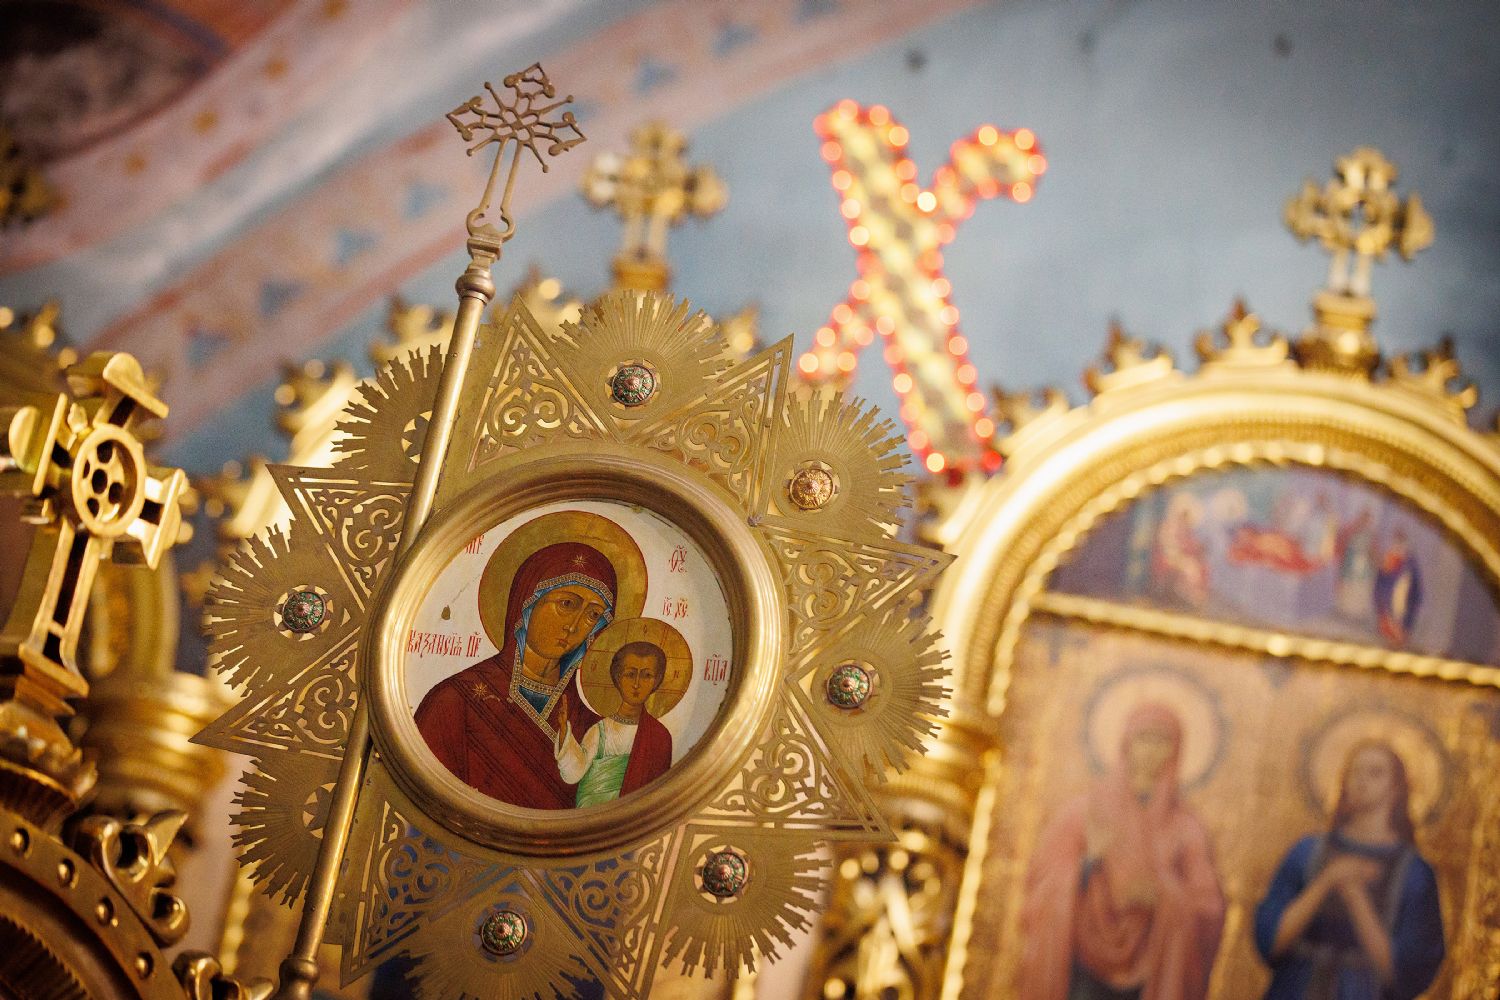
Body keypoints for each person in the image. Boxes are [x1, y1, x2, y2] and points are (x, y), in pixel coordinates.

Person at [1018, 702, 1225, 1000]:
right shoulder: (1084, 813)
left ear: (1175, 751)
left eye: (1162, 740)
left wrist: (1163, 896)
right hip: (1083, 969)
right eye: (1144, 738)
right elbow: (1042, 882)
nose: (1151, 750)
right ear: (1127, 743)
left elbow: (1208, 908)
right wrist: (1087, 864)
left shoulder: (1186, 829)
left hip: (1148, 975)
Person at [414, 542, 616, 810]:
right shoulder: (455, 701)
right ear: (527, 602)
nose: (574, 626)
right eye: (567, 604)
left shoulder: (593, 728)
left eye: (592, 615)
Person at [1254, 740, 1444, 1000]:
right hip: (1295, 988)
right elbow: (1272, 941)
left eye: (1375, 773)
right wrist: (1328, 879)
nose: (1361, 781)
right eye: (1355, 771)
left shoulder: (1413, 873)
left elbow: (1407, 971)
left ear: (1396, 788)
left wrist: (1354, 894)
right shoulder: (1307, 851)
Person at [554, 640, 674, 807]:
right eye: (630, 674)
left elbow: (660, 793)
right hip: (592, 813)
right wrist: (563, 733)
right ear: (618, 677)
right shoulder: (600, 730)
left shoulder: (660, 736)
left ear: (657, 681)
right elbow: (574, 774)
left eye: (646, 675)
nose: (637, 684)